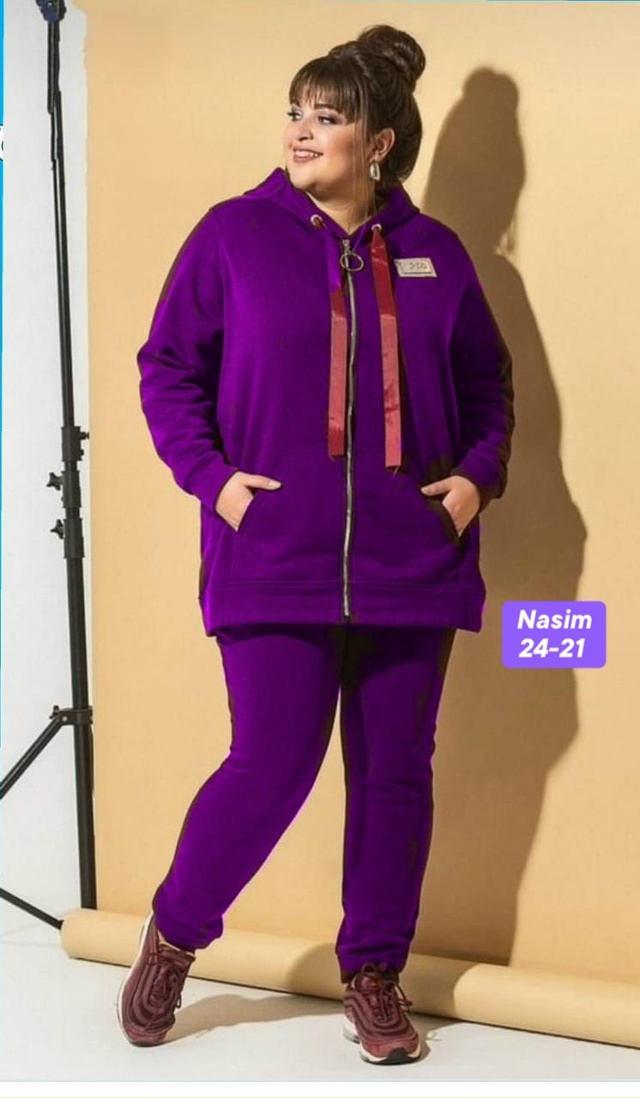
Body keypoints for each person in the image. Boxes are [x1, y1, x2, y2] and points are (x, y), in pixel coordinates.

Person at [116, 24, 515, 1066]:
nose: (300, 131)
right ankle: (174, 936)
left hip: (411, 563)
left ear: (377, 143)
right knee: (270, 763)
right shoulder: (232, 236)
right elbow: (167, 369)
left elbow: (488, 385)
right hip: (272, 556)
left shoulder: (437, 255)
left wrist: (475, 480)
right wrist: (214, 482)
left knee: (395, 775)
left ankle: (373, 974)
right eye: (295, 112)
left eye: (326, 117)